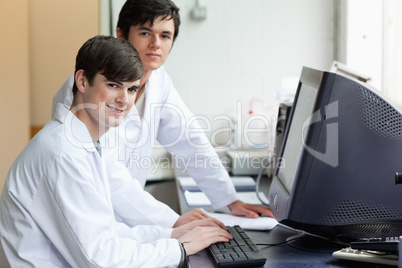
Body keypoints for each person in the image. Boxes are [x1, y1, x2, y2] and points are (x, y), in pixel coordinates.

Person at [0, 35, 232, 267]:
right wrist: (180, 249)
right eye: (113, 85)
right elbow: (100, 259)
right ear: (82, 81)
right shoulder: (63, 154)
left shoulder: (82, 143)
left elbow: (107, 232)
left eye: (132, 89)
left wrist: (171, 235)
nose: (124, 100)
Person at [52, 0, 273, 219]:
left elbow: (191, 141)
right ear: (121, 34)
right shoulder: (84, 90)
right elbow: (109, 175)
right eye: (145, 33)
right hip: (90, 217)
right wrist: (173, 222)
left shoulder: (158, 81)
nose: (156, 44)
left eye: (165, 36)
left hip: (128, 218)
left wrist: (229, 200)